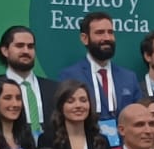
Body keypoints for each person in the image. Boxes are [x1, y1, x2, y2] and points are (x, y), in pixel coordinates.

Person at [58, 11, 140, 139]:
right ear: (84, 38)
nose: (107, 38)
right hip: (87, 147)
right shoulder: (70, 75)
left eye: (110, 32)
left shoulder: (129, 77)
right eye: (100, 33)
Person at [0, 25, 56, 137]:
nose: (26, 51)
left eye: (30, 46)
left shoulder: (53, 88)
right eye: (20, 46)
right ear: (5, 50)